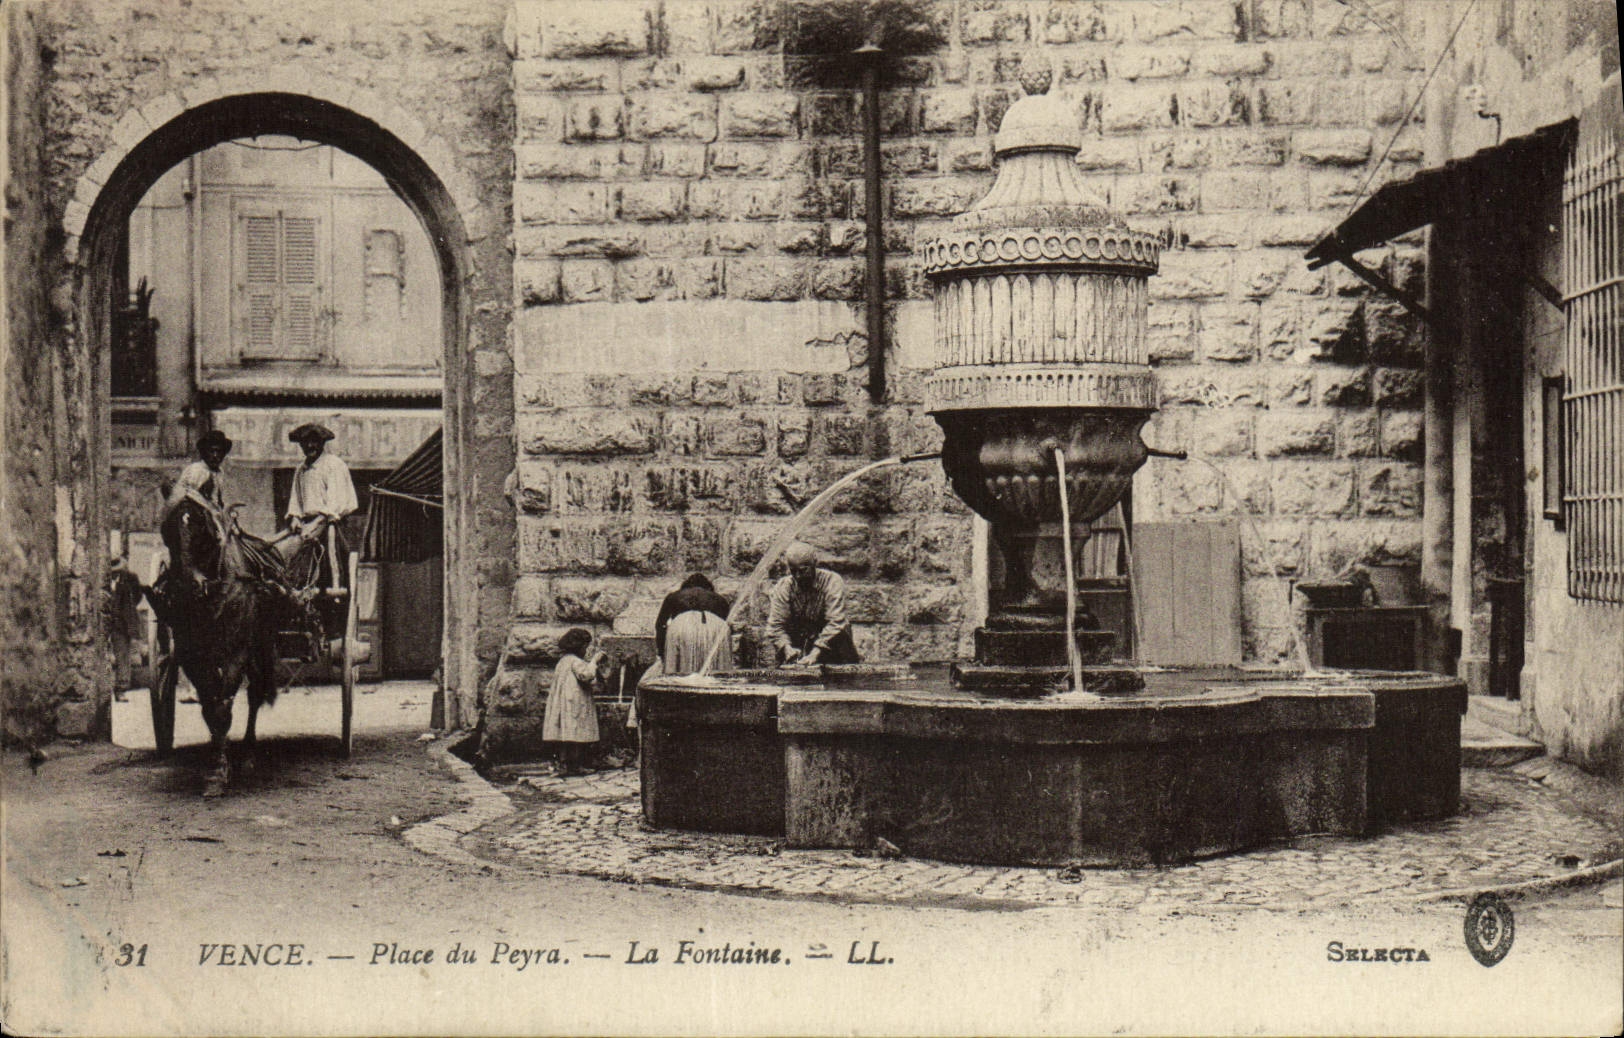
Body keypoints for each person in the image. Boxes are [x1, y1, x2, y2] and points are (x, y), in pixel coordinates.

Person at [280, 422, 358, 583]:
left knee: (331, 565)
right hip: (307, 524)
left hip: (330, 524)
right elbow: (296, 499)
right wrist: (295, 517)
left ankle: (335, 593)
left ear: (322, 443)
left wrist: (317, 523)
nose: (310, 445)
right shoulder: (301, 469)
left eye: (314, 441)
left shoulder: (333, 465)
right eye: (305, 442)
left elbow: (336, 502)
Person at [765, 542, 859, 667]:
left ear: (815, 563)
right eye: (793, 571)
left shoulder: (832, 582)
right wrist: (787, 648)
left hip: (834, 645)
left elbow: (836, 622)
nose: (798, 576)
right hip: (799, 645)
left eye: (803, 570)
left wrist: (815, 653)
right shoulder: (784, 587)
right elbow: (775, 625)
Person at [543, 628, 608, 776]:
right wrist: (595, 661)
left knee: (567, 735)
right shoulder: (575, 662)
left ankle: (564, 764)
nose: (586, 650)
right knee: (576, 734)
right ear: (579, 647)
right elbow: (587, 675)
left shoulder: (563, 661)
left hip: (564, 703)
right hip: (574, 703)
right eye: (585, 647)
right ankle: (574, 766)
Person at [655, 573, 732, 675]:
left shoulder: (674, 596)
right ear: (708, 587)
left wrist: (662, 652)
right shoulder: (719, 599)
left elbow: (660, 624)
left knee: (679, 673)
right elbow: (727, 625)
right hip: (714, 629)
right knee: (714, 672)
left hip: (681, 627)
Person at [166, 429, 234, 513]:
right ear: (204, 452)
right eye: (211, 451)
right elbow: (189, 493)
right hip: (188, 512)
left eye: (219, 451)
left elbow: (217, 498)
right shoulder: (196, 469)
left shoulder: (219, 472)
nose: (215, 455)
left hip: (210, 513)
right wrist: (211, 508)